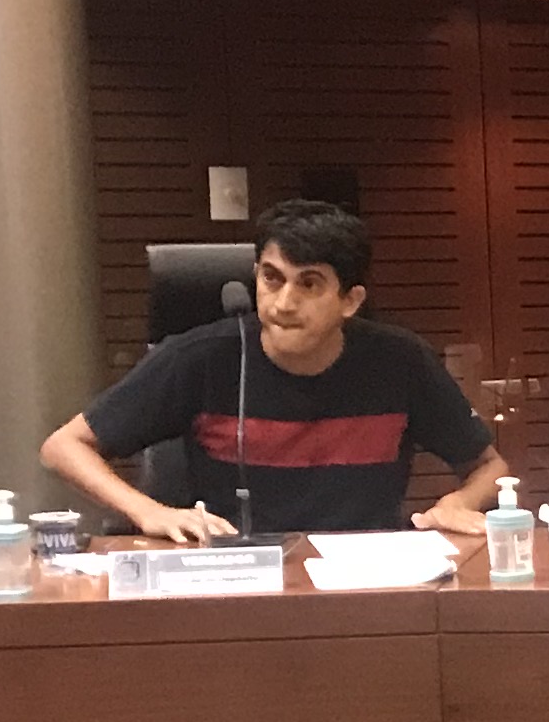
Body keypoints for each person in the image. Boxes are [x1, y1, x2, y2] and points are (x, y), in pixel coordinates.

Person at [43, 197, 508, 541]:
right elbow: (63, 447)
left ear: (350, 301)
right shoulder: (202, 358)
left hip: (364, 583)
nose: (284, 303)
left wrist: (458, 503)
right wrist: (148, 511)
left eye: (309, 284)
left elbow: (489, 466)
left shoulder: (401, 361)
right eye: (272, 278)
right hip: (236, 577)